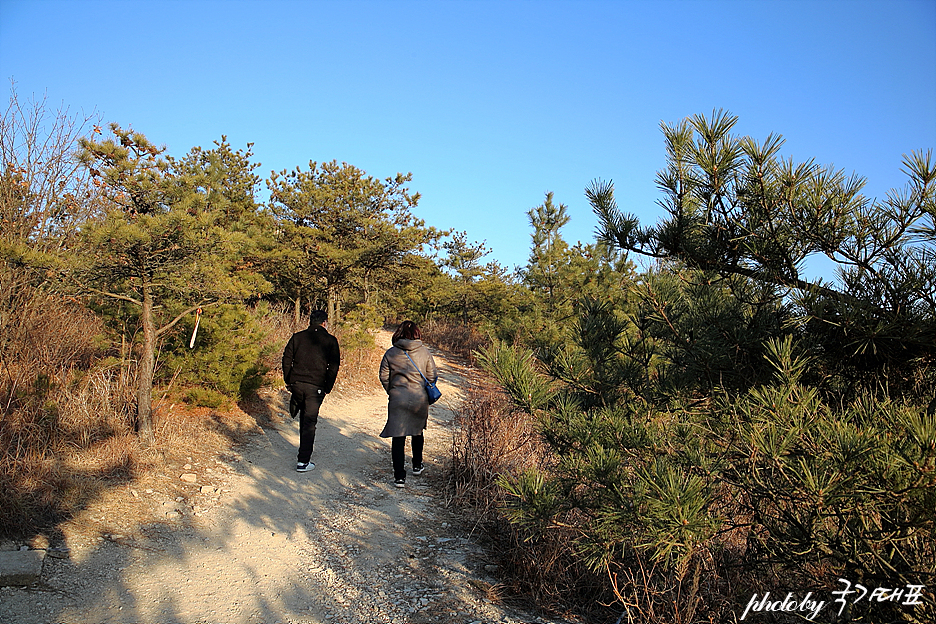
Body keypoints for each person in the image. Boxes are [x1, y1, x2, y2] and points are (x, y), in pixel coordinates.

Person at [379, 320, 438, 488]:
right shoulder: (425, 352)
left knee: (398, 436)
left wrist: (393, 390)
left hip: (398, 397)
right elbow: (432, 376)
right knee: (417, 431)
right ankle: (417, 465)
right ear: (417, 334)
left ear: (399, 333)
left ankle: (399, 477)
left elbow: (383, 376)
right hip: (419, 398)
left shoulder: (391, 353)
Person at [282, 310, 340, 472]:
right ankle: (303, 461)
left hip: (297, 383)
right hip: (316, 387)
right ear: (324, 323)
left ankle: (303, 455)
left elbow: (287, 359)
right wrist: (327, 386)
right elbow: (333, 366)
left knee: (303, 415)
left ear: (310, 321)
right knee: (309, 421)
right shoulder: (330, 341)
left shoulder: (297, 337)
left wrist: (289, 380)